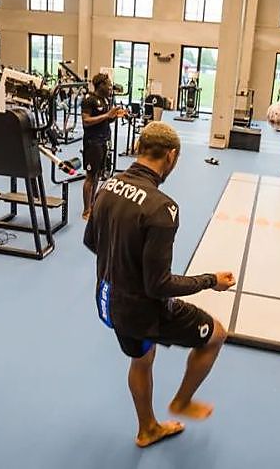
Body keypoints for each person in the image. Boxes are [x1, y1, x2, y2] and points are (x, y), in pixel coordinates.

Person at [84, 122, 235, 448]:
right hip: (141, 310)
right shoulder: (162, 208)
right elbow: (158, 285)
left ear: (139, 148)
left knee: (141, 357)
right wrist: (211, 281)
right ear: (171, 156)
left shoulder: (107, 186)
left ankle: (148, 429)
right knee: (216, 335)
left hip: (108, 299)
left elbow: (92, 242)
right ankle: (182, 402)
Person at [81, 73, 125, 220]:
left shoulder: (105, 99)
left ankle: (92, 205)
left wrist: (114, 116)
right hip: (92, 142)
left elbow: (106, 120)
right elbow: (86, 121)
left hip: (103, 140)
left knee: (98, 175)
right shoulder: (89, 99)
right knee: (90, 176)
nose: (111, 88)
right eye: (109, 85)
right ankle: (86, 210)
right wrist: (107, 115)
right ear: (101, 85)